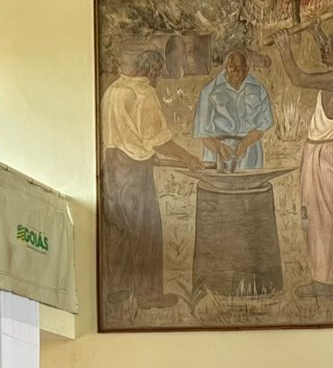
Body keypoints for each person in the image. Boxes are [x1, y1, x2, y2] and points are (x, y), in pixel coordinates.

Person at [100, 49, 201, 309]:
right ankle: (148, 296)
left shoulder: (112, 89)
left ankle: (119, 292)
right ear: (154, 70)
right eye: (159, 72)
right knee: (147, 232)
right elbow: (160, 140)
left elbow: (124, 134)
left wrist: (144, 151)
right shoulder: (144, 93)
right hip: (135, 170)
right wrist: (188, 158)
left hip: (111, 167)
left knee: (118, 230)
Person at [276, 26, 333, 301]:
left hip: (322, 155)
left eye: (330, 46)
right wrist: (317, 33)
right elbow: (330, 50)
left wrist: (284, 49)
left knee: (319, 218)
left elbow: (299, 78)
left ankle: (324, 282)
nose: (324, 49)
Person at [193, 50, 274, 172]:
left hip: (250, 153)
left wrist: (246, 142)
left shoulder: (258, 89)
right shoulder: (209, 91)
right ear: (226, 68)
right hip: (218, 154)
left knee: (249, 188)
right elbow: (203, 134)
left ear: (247, 69)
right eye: (232, 68)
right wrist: (218, 147)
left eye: (239, 68)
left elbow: (264, 124)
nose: (235, 71)